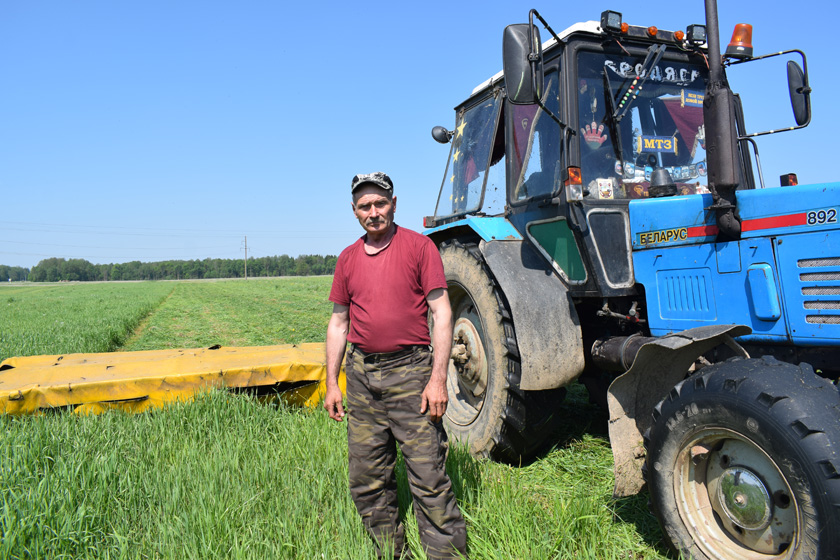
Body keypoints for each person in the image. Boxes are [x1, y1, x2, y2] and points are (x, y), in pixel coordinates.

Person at [324, 172, 467, 560]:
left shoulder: (419, 248)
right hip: (361, 378)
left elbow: (442, 313)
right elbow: (338, 323)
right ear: (354, 212)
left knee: (428, 476)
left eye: (380, 203)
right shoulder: (348, 259)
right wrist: (332, 383)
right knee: (367, 478)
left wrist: (438, 380)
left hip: (411, 374)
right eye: (364, 206)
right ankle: (390, 552)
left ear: (394, 204)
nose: (373, 212)